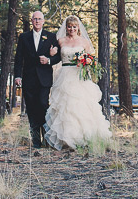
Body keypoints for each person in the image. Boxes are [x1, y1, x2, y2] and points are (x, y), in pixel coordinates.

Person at [43, 15, 111, 150]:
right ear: (66, 28)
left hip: (79, 76)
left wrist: (88, 63)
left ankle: (85, 138)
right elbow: (56, 57)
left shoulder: (84, 42)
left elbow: (91, 58)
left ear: (78, 27)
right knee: (65, 107)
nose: (72, 29)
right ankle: (67, 140)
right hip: (65, 75)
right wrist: (51, 54)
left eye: (74, 27)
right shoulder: (61, 41)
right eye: (69, 26)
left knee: (82, 106)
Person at [14, 11, 61, 148]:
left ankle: (46, 136)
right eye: (35, 19)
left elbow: (58, 57)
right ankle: (35, 140)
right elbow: (19, 59)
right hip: (28, 78)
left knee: (42, 105)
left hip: (44, 79)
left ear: (43, 21)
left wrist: (49, 60)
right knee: (31, 108)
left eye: (39, 19)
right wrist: (17, 76)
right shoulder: (24, 37)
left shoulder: (51, 37)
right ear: (31, 21)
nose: (37, 21)